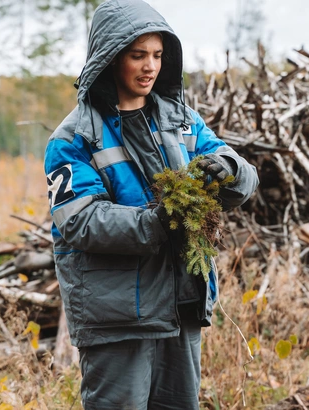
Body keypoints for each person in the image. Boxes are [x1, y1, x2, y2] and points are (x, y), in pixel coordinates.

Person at [44, 0, 258, 408]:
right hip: (117, 317)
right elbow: (81, 221)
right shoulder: (73, 138)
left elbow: (244, 178)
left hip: (182, 305)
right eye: (137, 55)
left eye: (158, 55)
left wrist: (228, 168)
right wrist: (159, 222)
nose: (150, 66)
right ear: (110, 59)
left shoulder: (181, 120)